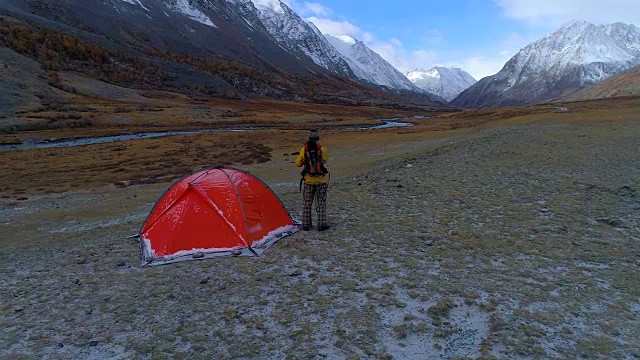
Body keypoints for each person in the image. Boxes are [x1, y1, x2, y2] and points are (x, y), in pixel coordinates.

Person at [295, 129, 329, 231]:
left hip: (308, 181)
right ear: (318, 138)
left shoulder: (303, 150)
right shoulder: (323, 149)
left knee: (307, 203)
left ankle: (306, 225)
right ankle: (321, 225)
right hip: (321, 181)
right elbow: (324, 161)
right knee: (321, 203)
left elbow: (297, 164)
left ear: (309, 138)